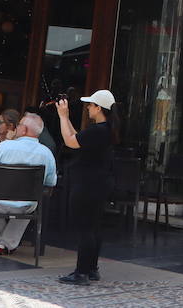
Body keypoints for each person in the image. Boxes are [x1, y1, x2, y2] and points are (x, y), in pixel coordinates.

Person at [56, 90, 118, 286]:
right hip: (99, 183)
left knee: (85, 228)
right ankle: (91, 269)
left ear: (99, 108)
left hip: (87, 184)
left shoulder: (98, 130)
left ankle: (81, 272)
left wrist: (63, 116)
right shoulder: (105, 129)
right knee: (93, 227)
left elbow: (70, 141)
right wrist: (67, 120)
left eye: (91, 105)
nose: (88, 108)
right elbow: (77, 137)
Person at [0, 111, 57, 255]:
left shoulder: (5, 147)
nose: (17, 127)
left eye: (19, 125)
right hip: (25, 206)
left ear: (24, 129)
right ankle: (4, 244)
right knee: (32, 201)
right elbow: (50, 183)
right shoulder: (47, 154)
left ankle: (3, 243)